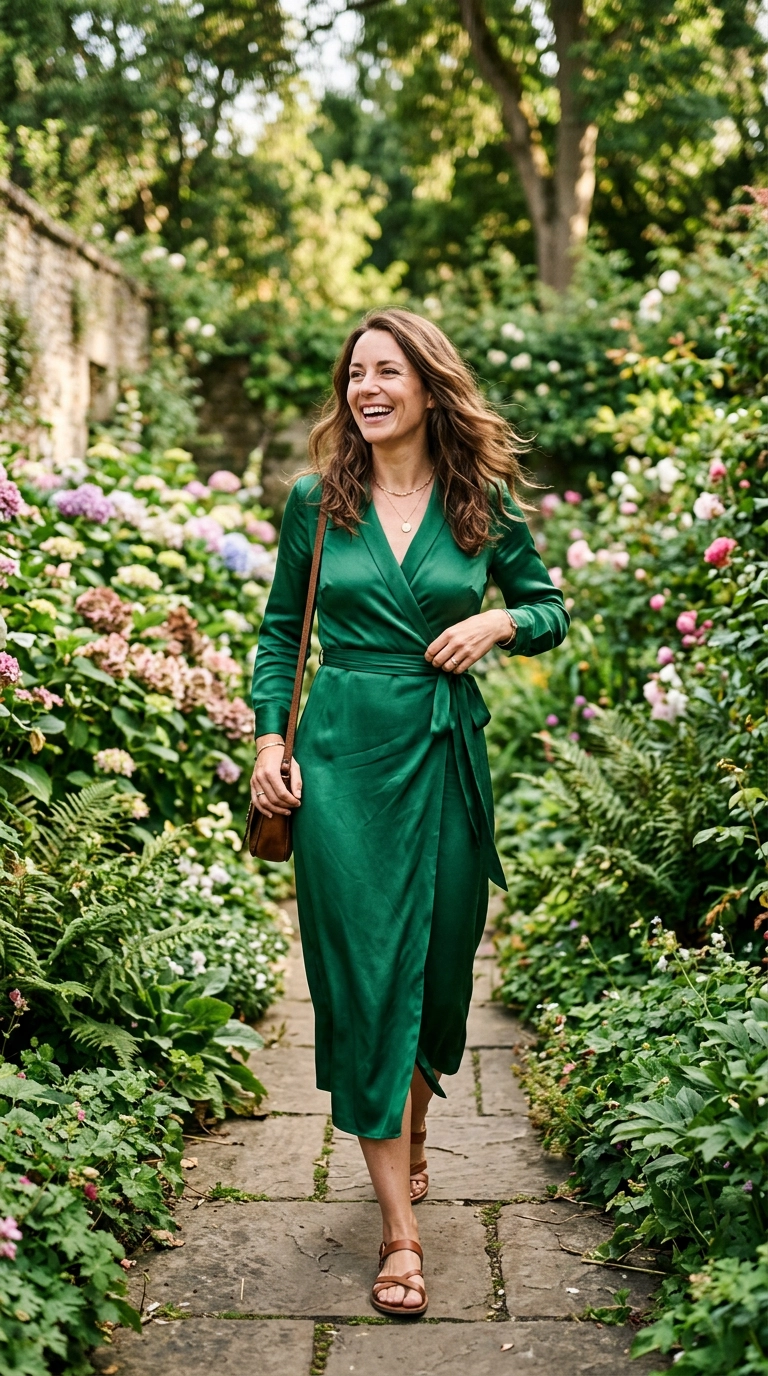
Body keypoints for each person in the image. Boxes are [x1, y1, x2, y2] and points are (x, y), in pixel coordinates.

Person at [250, 308, 568, 1317]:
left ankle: (414, 1120)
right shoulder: (318, 499)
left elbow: (550, 606)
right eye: (356, 373)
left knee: (434, 980)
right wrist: (269, 744)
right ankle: (400, 1232)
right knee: (368, 975)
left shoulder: (481, 498)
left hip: (442, 757)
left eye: (389, 371)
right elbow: (275, 636)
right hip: (341, 757)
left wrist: (496, 618)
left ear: (431, 387)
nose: (368, 387)